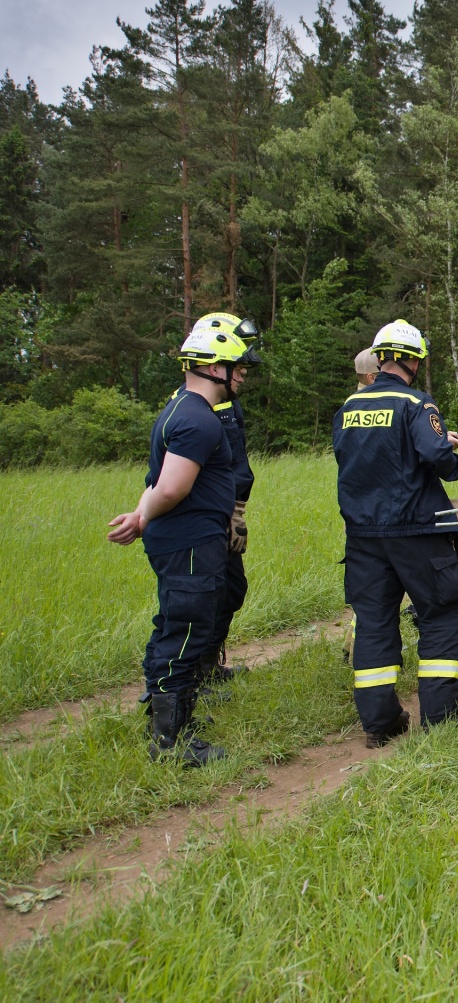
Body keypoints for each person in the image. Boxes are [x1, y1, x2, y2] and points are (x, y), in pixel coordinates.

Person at [107, 325, 262, 766]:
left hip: (186, 538)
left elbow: (156, 481)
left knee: (179, 624)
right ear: (214, 367)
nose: (243, 375)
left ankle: (172, 723)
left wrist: (142, 515)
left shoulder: (179, 408)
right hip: (191, 540)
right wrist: (144, 515)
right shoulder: (198, 418)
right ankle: (170, 741)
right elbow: (171, 488)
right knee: (186, 629)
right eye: (238, 367)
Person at [333, 320, 458, 748]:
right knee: (444, 612)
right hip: (418, 531)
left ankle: (380, 722)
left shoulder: (349, 408)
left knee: (375, 621)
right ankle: (440, 713)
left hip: (363, 536)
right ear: (413, 360)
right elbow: (434, 453)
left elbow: (359, 457)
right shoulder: (417, 404)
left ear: (380, 358)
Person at [189, 312, 260, 690]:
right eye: (238, 363)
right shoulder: (199, 407)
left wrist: (238, 510)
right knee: (207, 595)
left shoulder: (226, 402)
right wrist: (228, 513)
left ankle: (208, 665)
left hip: (227, 511)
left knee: (231, 590)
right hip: (208, 516)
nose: (244, 372)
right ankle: (195, 675)